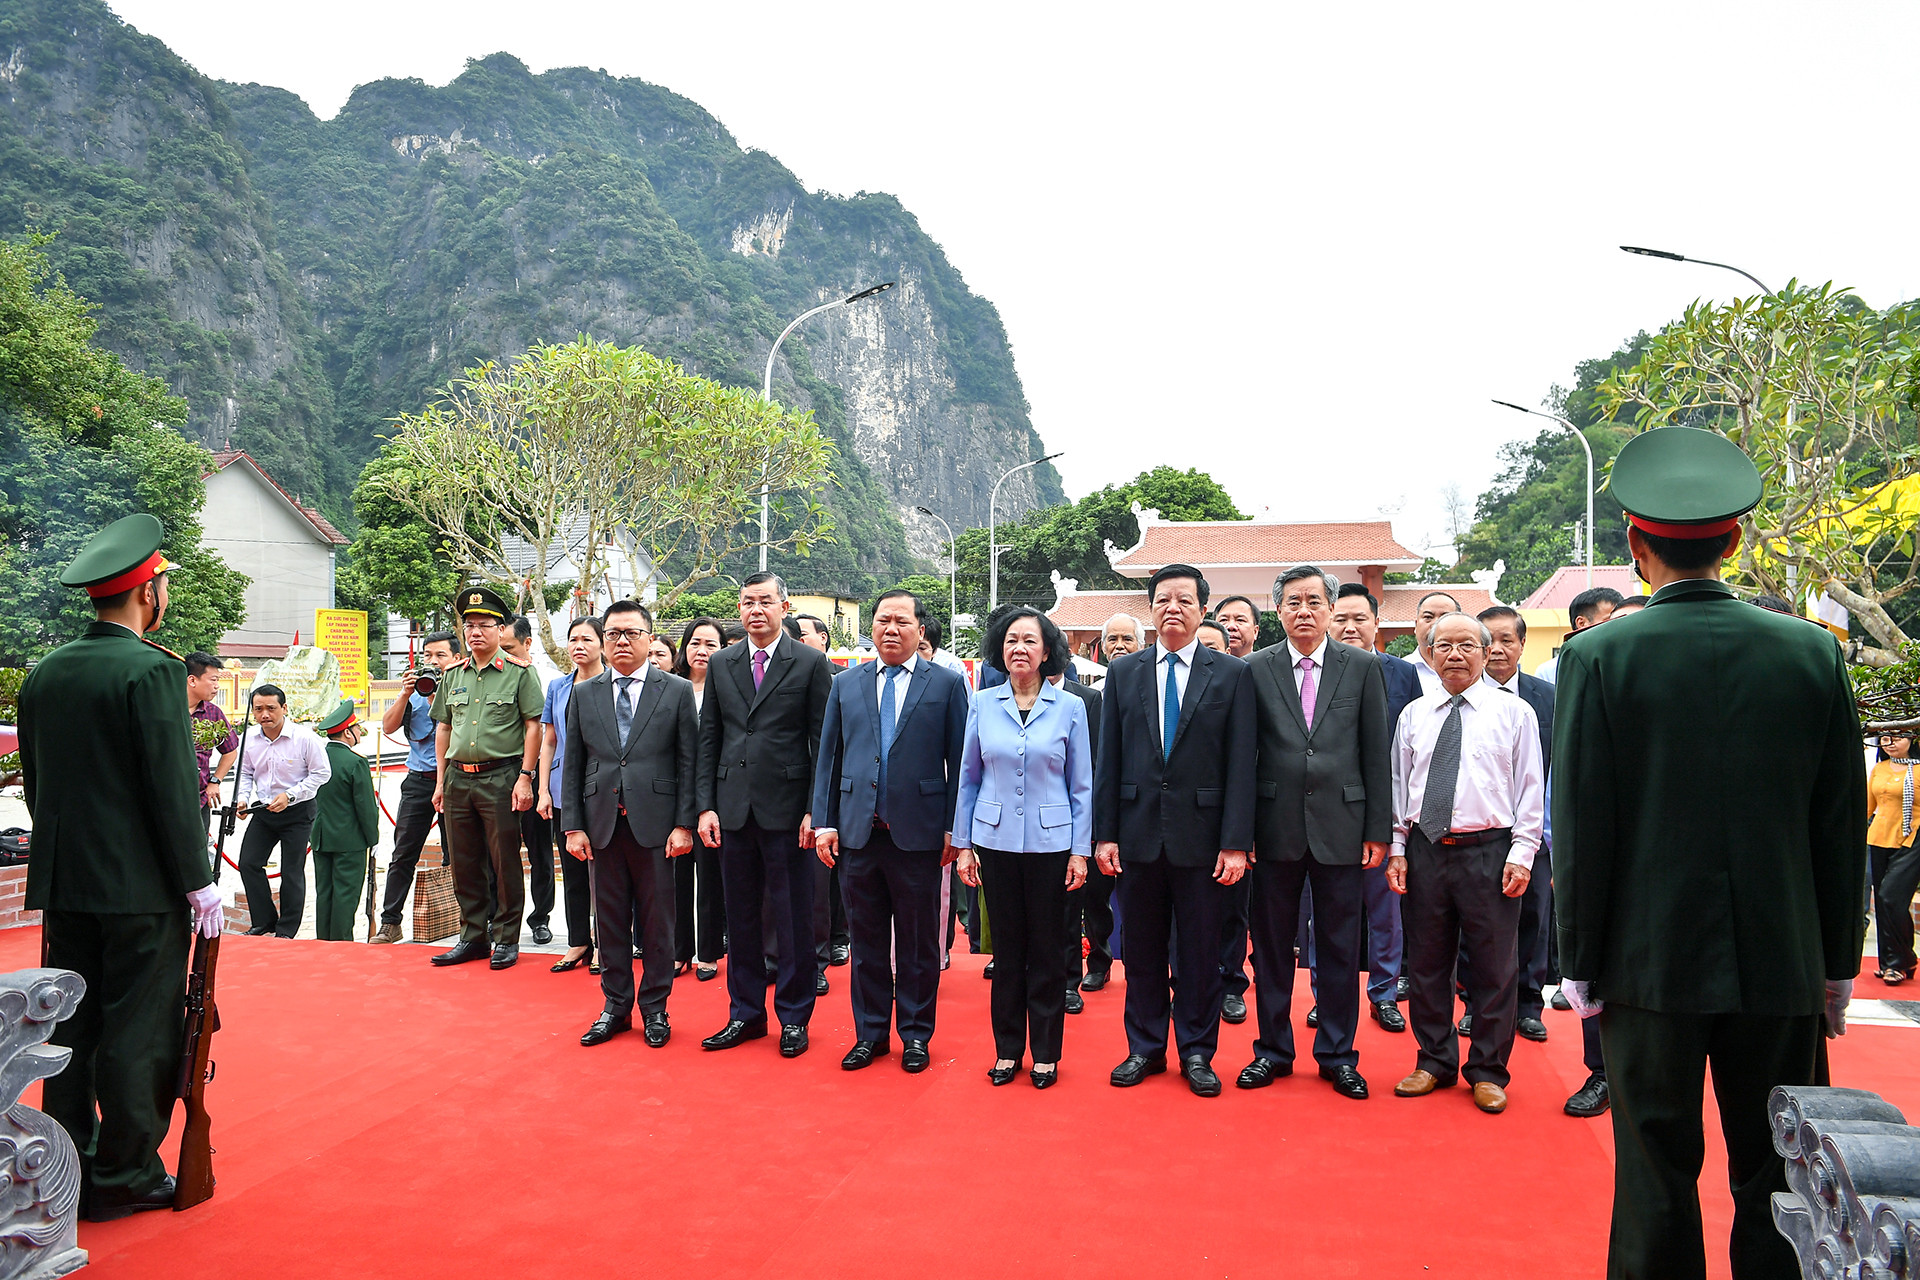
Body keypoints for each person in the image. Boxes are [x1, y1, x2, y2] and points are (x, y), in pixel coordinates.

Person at [1555, 426, 1865, 1279]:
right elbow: (1838, 825)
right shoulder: (1813, 653)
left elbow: (1583, 820)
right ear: (1735, 539)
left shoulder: (1595, 655)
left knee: (1655, 1168)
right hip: (1783, 958)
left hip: (1644, 961)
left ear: (1634, 543)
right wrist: (1836, 963)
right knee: (1780, 1169)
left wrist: (1577, 958)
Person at [19, 513, 222, 1219]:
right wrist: (197, 879)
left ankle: (60, 1167)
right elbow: (171, 788)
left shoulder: (46, 672)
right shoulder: (152, 670)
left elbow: (38, 786)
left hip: (67, 886)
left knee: (68, 1031)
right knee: (138, 1030)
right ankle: (124, 1176)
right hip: (140, 892)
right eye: (163, 584)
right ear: (148, 594)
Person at [1096, 563, 1256, 1097]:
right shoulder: (1124, 673)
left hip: (1204, 839)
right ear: (1151, 607)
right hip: (1137, 836)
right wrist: (1105, 834)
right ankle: (1144, 1047)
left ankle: (1196, 1050)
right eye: (1163, 599)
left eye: (1184, 600)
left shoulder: (1231, 674)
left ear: (1202, 609)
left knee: (1199, 950)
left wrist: (1236, 842)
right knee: (1140, 949)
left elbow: (1241, 765)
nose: (1173, 608)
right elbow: (1109, 760)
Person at [1237, 565, 1391, 1100]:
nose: (1304, 611)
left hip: (1343, 828)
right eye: (1293, 603)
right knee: (1273, 947)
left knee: (1340, 947)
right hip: (1271, 826)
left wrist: (1378, 829)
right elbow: (1242, 757)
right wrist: (1241, 830)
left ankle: (1337, 1055)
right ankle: (1272, 1051)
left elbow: (1377, 752)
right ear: (1276, 612)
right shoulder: (1253, 669)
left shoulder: (1363, 667)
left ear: (1330, 608)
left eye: (1314, 602)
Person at [1387, 612, 1543, 1115]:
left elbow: (1530, 790)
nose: (1455, 654)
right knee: (1428, 963)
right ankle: (1433, 1060)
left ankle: (1488, 1071)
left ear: (1485, 652)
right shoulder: (1413, 714)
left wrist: (1523, 853)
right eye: (1444, 646)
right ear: (1429, 655)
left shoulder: (1514, 713)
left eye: (1466, 646)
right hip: (1427, 849)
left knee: (1495, 965)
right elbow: (1398, 785)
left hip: (1490, 851)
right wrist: (1397, 849)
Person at [812, 590, 968, 1073]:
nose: (890, 629)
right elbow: (829, 759)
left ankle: (916, 1034)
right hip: (859, 833)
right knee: (867, 941)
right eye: (882, 621)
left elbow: (961, 762)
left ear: (921, 630)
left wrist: (953, 830)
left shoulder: (945, 684)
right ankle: (870, 1034)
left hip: (918, 836)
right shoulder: (846, 683)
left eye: (901, 621)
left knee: (920, 944)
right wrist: (824, 822)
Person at [697, 572, 835, 1057]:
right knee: (742, 918)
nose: (756, 610)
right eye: (747, 603)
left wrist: (813, 810)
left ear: (784, 605)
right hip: (733, 809)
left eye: (765, 602)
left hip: (788, 811)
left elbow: (822, 741)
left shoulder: (811, 663)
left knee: (794, 917)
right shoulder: (721, 663)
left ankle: (794, 1016)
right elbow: (709, 737)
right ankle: (746, 1014)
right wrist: (706, 805)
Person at [953, 607, 1092, 1087]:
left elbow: (1082, 786)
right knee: (1007, 954)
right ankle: (1008, 1050)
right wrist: (964, 844)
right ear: (1000, 649)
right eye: (1011, 641)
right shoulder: (982, 703)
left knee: (1050, 951)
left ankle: (1048, 1053)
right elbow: (969, 779)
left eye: (1030, 641)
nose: (1019, 649)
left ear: (1047, 651)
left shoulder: (1070, 707)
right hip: (995, 843)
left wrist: (1080, 850)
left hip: (1053, 845)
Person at [562, 600, 699, 1048]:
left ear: (649, 638)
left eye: (632, 633)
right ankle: (615, 1007)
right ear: (604, 640)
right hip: (602, 824)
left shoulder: (675, 690)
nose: (622, 641)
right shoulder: (583, 693)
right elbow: (575, 764)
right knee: (611, 921)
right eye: (614, 633)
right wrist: (573, 825)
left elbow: (687, 762)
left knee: (658, 923)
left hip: (657, 826)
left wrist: (684, 824)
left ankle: (655, 1008)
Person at [429, 586, 544, 970]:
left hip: (502, 777)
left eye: (484, 625)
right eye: (469, 625)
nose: (475, 632)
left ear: (500, 630)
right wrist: (440, 781)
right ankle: (473, 935)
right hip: (459, 779)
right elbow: (444, 727)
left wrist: (526, 777)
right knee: (464, 860)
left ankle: (507, 938)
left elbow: (533, 728)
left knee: (504, 860)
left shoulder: (518, 673)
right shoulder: (453, 675)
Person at [1467, 605, 1556, 1045]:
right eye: (1491, 641)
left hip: (1533, 830)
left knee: (1533, 917)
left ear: (1523, 644)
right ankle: (1474, 1006)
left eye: (1508, 640)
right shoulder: (1458, 698)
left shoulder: (1548, 698)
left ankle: (1528, 1004)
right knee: (1475, 924)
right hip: (1474, 834)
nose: (1498, 649)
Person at [371, 631, 460, 944]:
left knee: (458, 853)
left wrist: (439, 697)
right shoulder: (414, 690)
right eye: (428, 656)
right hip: (419, 780)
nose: (432, 662)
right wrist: (406, 694)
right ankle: (390, 922)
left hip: (456, 779)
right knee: (404, 852)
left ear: (456, 659)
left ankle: (466, 920)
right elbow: (389, 726)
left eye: (440, 656)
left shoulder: (464, 686)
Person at [235, 683, 331, 937]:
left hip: (297, 811)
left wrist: (290, 795)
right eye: (258, 709)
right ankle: (263, 921)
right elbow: (245, 772)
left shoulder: (305, 738)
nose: (264, 714)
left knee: (291, 871)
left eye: (271, 708)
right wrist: (242, 799)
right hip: (264, 809)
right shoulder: (250, 739)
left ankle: (286, 929)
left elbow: (322, 774)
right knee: (248, 863)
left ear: (284, 708)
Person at [538, 617, 605, 973]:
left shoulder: (614, 684)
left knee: (605, 872)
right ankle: (579, 940)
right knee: (573, 869)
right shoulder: (558, 687)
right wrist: (543, 788)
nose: (579, 645)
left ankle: (606, 944)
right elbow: (549, 740)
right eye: (573, 639)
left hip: (604, 788)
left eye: (587, 639)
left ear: (602, 644)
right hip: (565, 787)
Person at [1208, 594, 1261, 1024]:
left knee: (1232, 912)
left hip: (1233, 820)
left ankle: (1230, 983)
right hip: (1181, 821)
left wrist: (1243, 832)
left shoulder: (1245, 680)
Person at [672, 618, 729, 981]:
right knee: (675, 879)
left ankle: (708, 952)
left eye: (711, 644)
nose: (702, 651)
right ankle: (679, 951)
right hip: (674, 797)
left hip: (715, 799)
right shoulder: (671, 688)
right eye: (695, 643)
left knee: (710, 879)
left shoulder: (728, 690)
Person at [500, 615, 557, 946]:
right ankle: (503, 919)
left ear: (527, 644)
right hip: (500, 775)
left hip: (537, 778)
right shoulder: (490, 679)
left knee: (540, 853)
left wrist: (540, 780)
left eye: (509, 648)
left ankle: (540, 918)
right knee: (501, 852)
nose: (504, 654)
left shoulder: (550, 681)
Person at [309, 699, 379, 941]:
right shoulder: (355, 762)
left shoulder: (315, 758)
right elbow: (366, 808)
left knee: (324, 894)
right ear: (348, 732)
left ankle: (323, 942)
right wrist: (374, 838)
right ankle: (341, 946)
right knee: (345, 898)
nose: (359, 731)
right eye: (357, 727)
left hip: (321, 837)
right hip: (350, 840)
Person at [1054, 668, 1102, 1014]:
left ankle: (1071, 981)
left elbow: (1093, 767)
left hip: (1074, 820)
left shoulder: (1085, 700)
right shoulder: (1003, 698)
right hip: (1021, 826)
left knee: (1076, 907)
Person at [1867, 731, 1919, 984]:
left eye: (1897, 737)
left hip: (1912, 840)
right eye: (1885, 738)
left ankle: (1903, 959)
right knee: (1883, 900)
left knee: (1891, 897)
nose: (1890, 743)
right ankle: (1892, 963)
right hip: (1878, 839)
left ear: (1912, 739)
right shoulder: (1879, 769)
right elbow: (1868, 806)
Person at [186, 651, 237, 827]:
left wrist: (215, 781)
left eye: (218, 680)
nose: (217, 686)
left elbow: (230, 752)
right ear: (192, 680)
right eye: (213, 680)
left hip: (200, 799)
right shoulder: (165, 709)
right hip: (164, 798)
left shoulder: (213, 713)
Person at [1533, 586, 1622, 684]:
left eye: (1620, 620)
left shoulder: (1625, 663)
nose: (1617, 626)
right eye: (1609, 620)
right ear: (1581, 623)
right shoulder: (1549, 672)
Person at [1406, 591, 1461, 694]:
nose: (1436, 623)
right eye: (1428, 617)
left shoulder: (1473, 669)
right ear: (1416, 625)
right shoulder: (1398, 670)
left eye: (1444, 617)